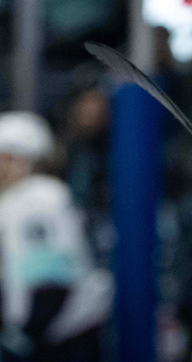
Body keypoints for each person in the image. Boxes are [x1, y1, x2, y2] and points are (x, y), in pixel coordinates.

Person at [0, 111, 113, 362]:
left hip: (66, 339)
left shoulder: (38, 197)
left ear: (23, 160)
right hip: (53, 335)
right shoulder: (18, 200)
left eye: (4, 159)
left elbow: (52, 281)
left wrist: (25, 337)